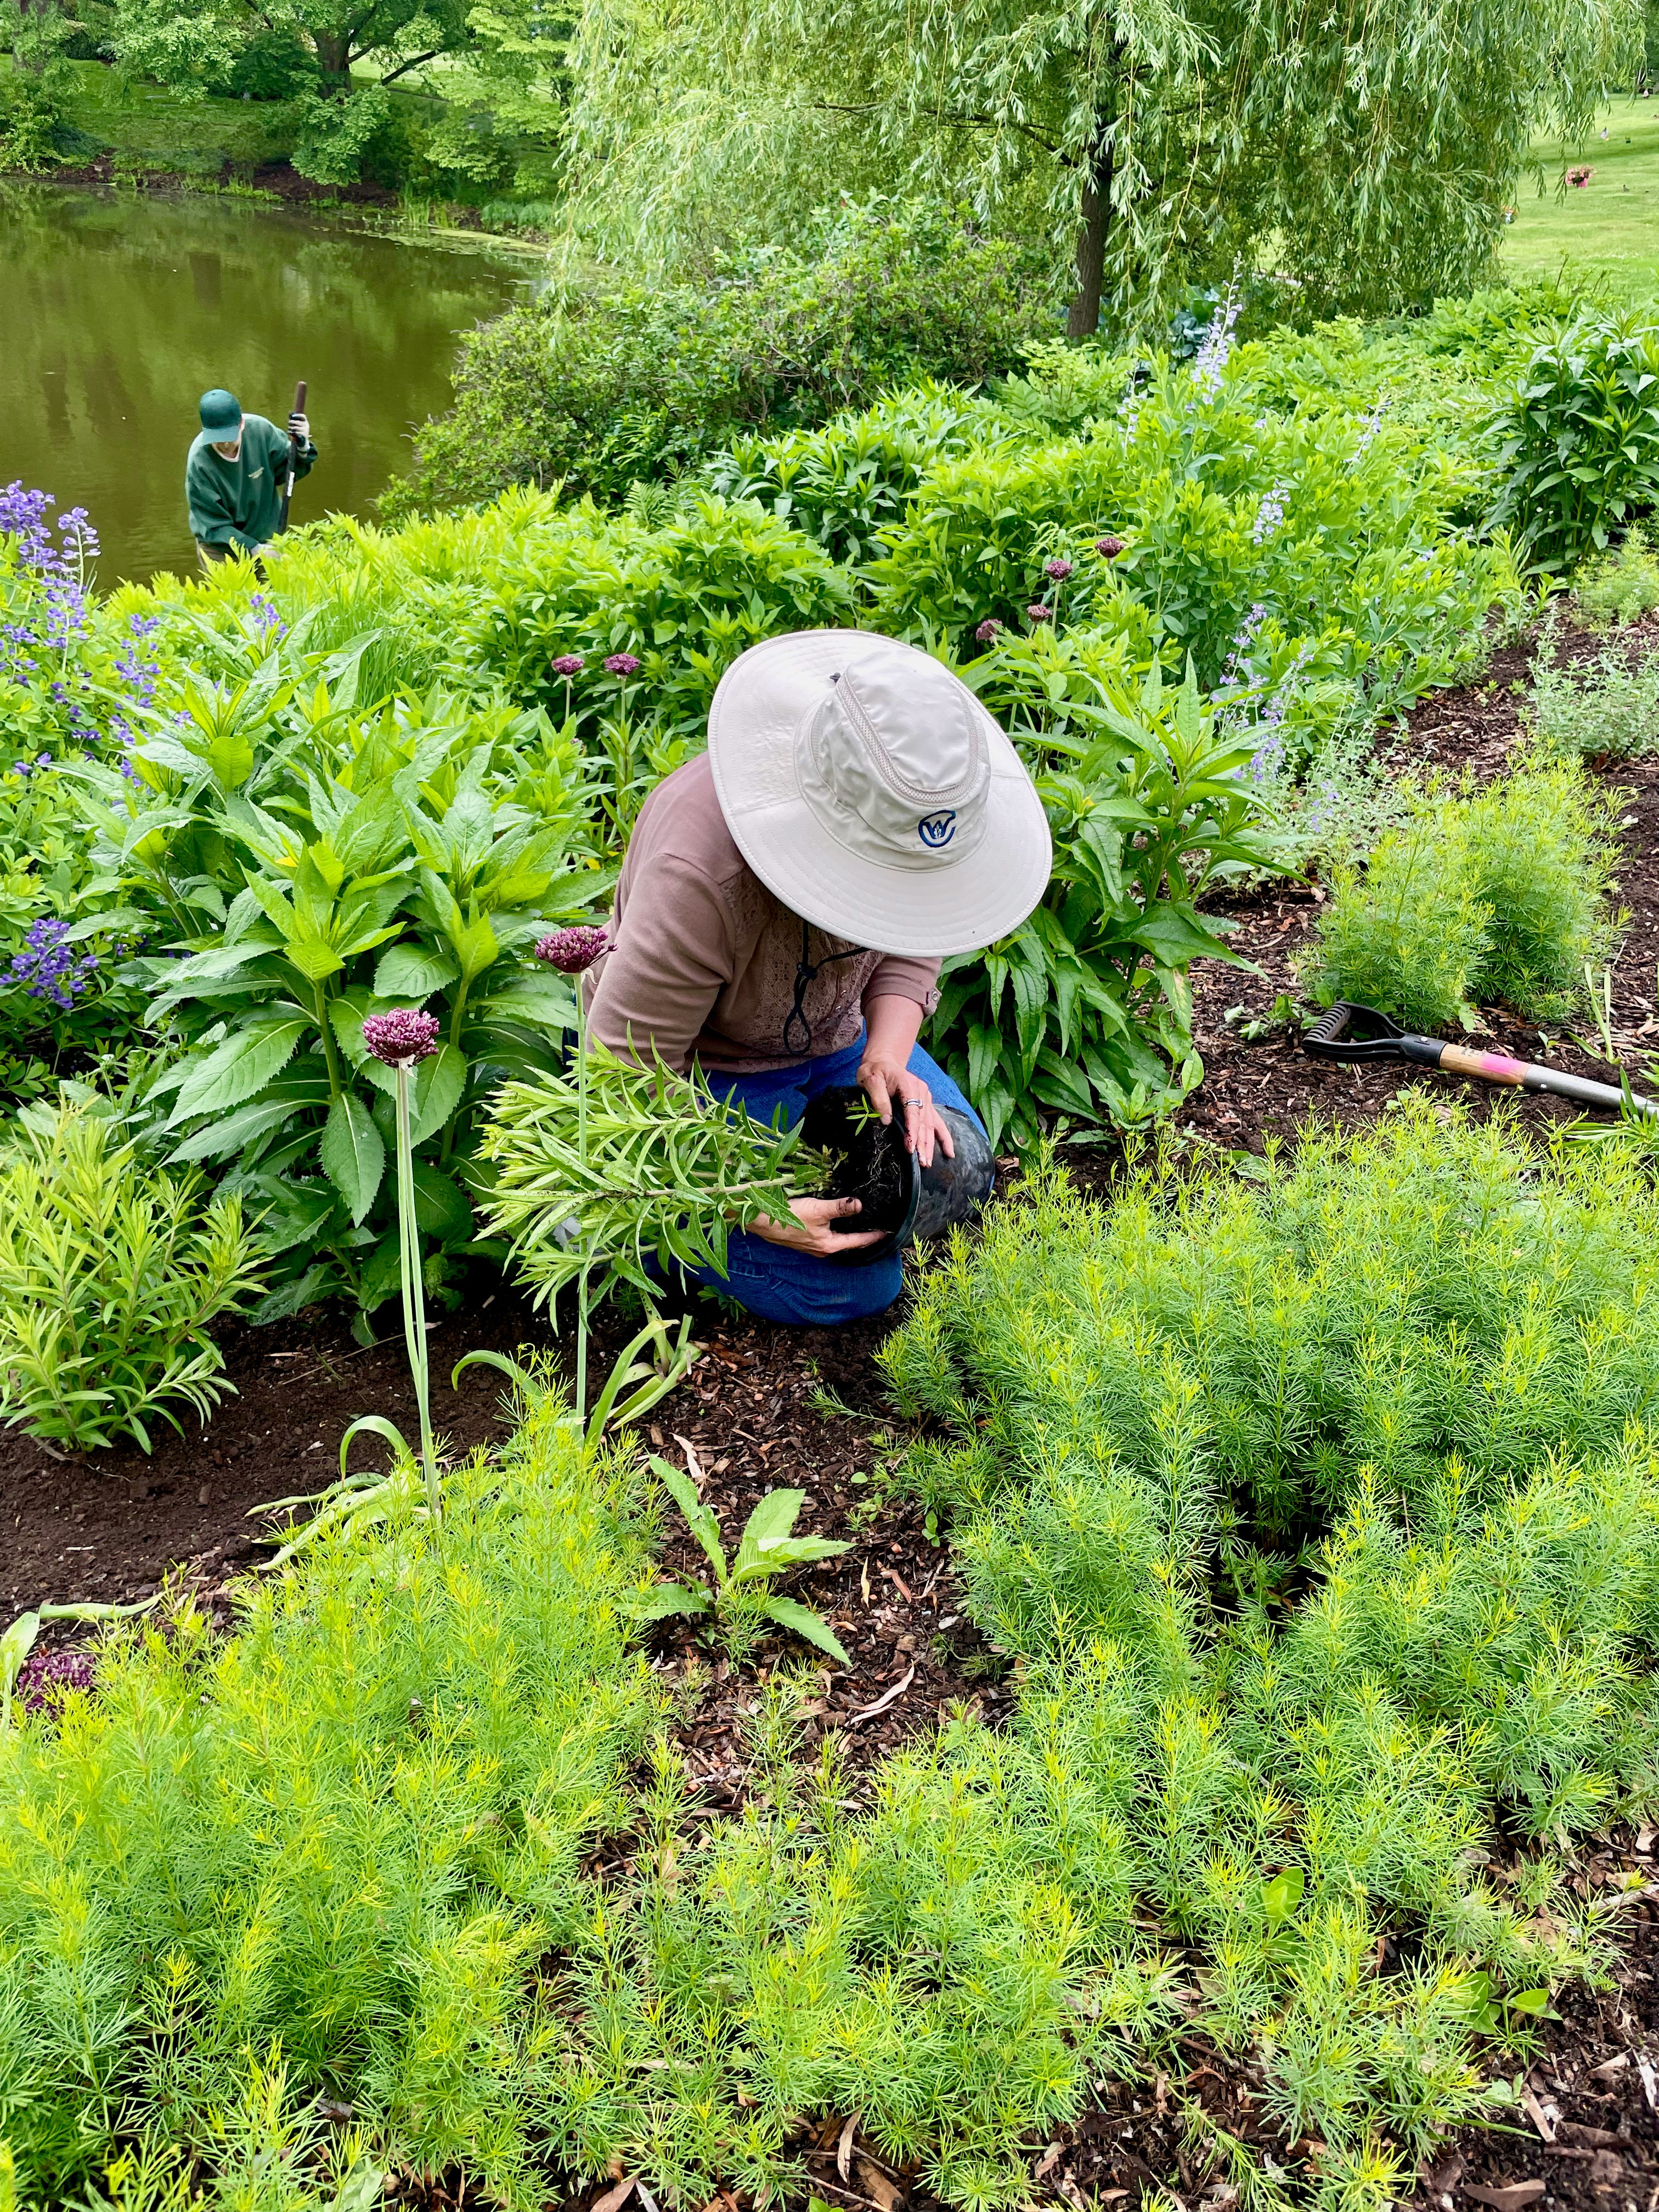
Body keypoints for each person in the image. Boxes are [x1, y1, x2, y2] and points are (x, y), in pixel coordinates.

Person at [585, 628, 1052, 1325]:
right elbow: (624, 1071)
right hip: (702, 1070)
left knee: (956, 1164)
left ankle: (767, 1170)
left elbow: (919, 934)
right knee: (855, 1286)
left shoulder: (910, 817)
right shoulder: (704, 873)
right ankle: (644, 1234)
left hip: (838, 1041)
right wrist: (747, 1205)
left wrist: (888, 1053)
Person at [186, 388, 315, 574]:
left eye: (229, 437)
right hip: (222, 552)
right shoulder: (200, 463)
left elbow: (288, 473)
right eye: (217, 439)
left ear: (242, 424)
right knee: (233, 602)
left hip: (267, 540)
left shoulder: (262, 432)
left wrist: (303, 446)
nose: (224, 445)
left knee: (275, 599)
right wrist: (255, 549)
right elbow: (213, 526)